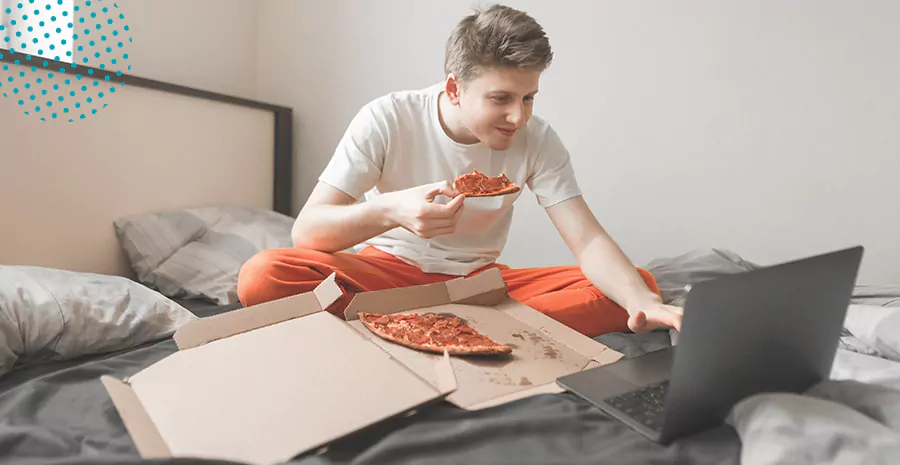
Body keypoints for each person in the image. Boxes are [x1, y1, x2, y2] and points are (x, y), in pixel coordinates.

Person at [237, 4, 682, 337]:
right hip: (384, 274)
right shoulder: (388, 117)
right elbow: (308, 233)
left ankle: (435, 326)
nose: (518, 117)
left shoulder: (539, 140)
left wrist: (641, 301)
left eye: (529, 98)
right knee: (262, 276)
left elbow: (586, 240)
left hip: (477, 285)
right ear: (454, 89)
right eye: (501, 99)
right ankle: (474, 327)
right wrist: (391, 210)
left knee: (636, 286)